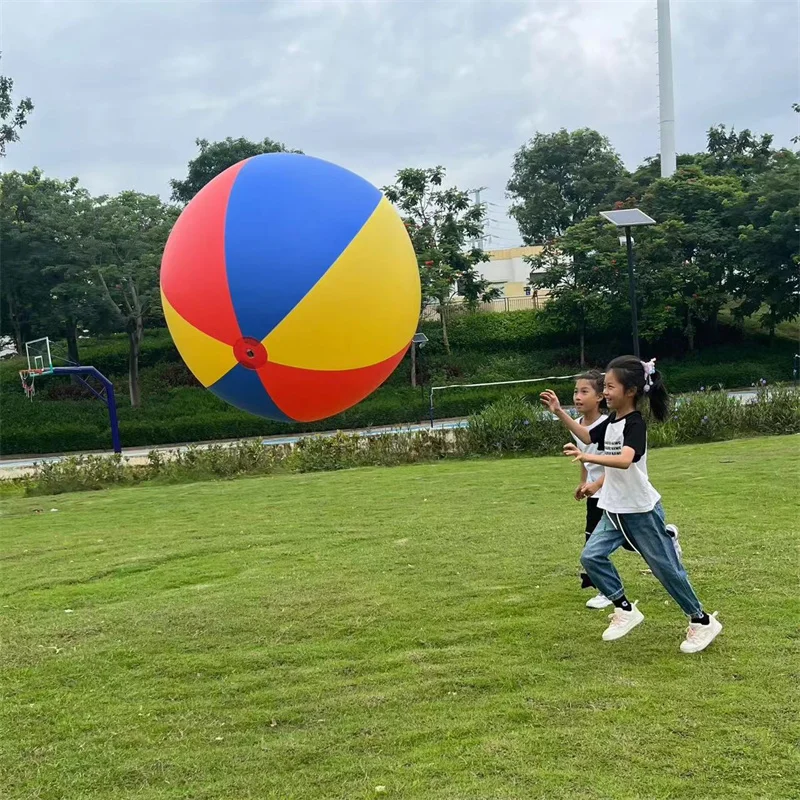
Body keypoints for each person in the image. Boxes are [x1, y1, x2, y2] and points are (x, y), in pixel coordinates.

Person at [540, 356, 722, 654]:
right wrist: (559, 411)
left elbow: (625, 460)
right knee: (591, 556)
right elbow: (587, 436)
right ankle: (625, 609)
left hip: (640, 510)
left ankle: (701, 621)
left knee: (666, 571)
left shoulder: (634, 423)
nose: (605, 391)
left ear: (631, 391)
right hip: (614, 509)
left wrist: (588, 458)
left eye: (610, 386)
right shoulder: (611, 420)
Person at [569, 370, 613, 610]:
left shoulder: (608, 425)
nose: (577, 396)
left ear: (599, 397)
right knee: (592, 540)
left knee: (629, 540)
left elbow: (615, 462)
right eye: (576, 391)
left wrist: (598, 484)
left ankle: (666, 535)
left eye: (584, 391)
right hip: (594, 493)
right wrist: (583, 482)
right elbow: (585, 459)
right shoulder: (576, 425)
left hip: (612, 490)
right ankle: (604, 590)